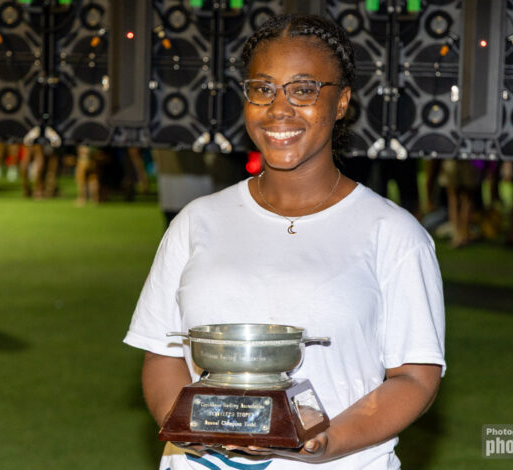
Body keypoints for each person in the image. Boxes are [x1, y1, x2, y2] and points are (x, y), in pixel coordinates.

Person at [124, 14, 445, 470]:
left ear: (341, 102)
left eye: (304, 90)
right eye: (263, 88)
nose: (279, 108)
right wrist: (191, 430)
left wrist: (326, 442)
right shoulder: (197, 221)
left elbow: (415, 377)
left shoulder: (392, 233)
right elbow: (163, 353)